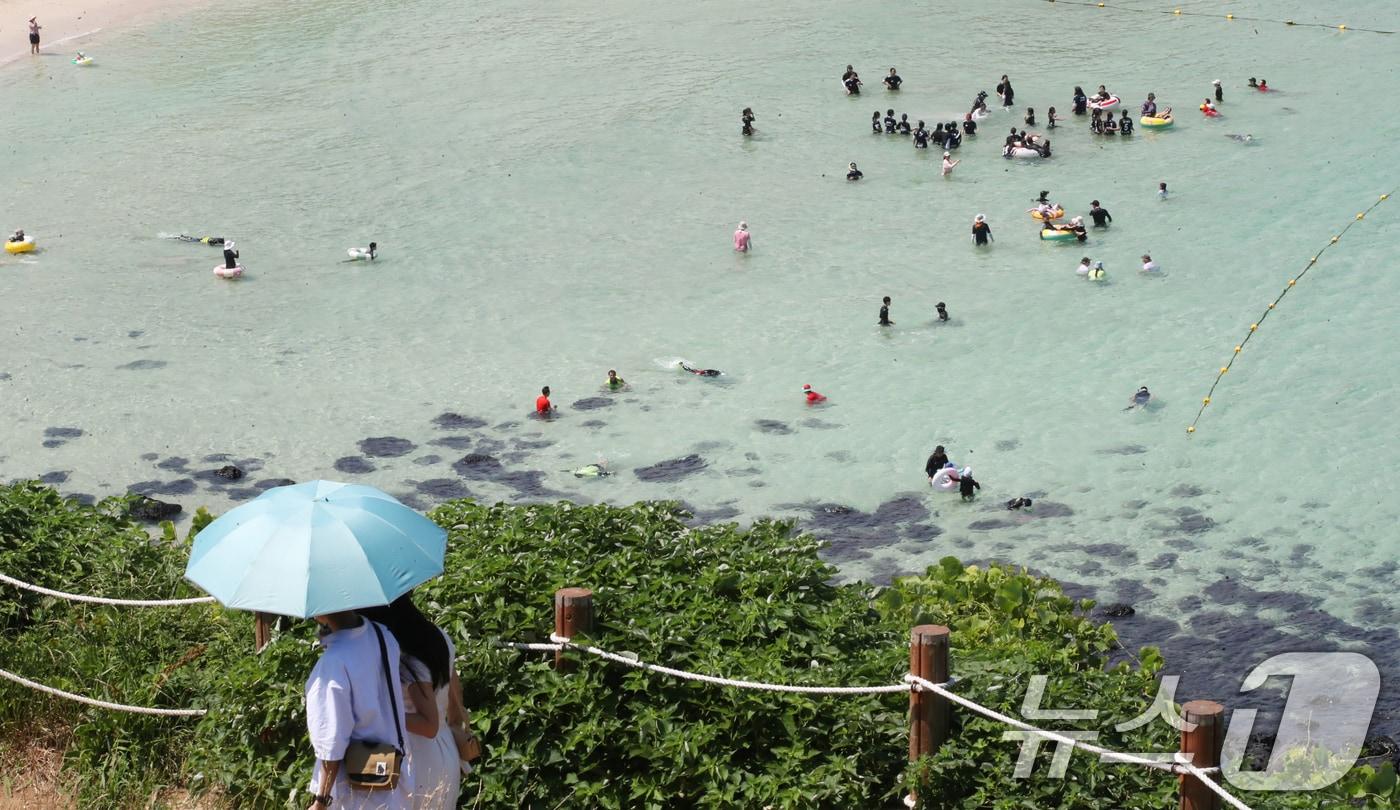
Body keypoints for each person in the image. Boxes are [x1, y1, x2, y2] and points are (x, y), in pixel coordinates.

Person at [358, 595, 465, 810]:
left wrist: (379, 714)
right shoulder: (438, 637)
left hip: (416, 758)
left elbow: (428, 724)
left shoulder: (406, 656)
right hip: (446, 750)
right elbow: (455, 693)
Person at [305, 610, 414, 810]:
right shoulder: (383, 635)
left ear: (319, 615)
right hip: (397, 774)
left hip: (358, 789)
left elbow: (331, 741)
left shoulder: (332, 664)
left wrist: (321, 800)